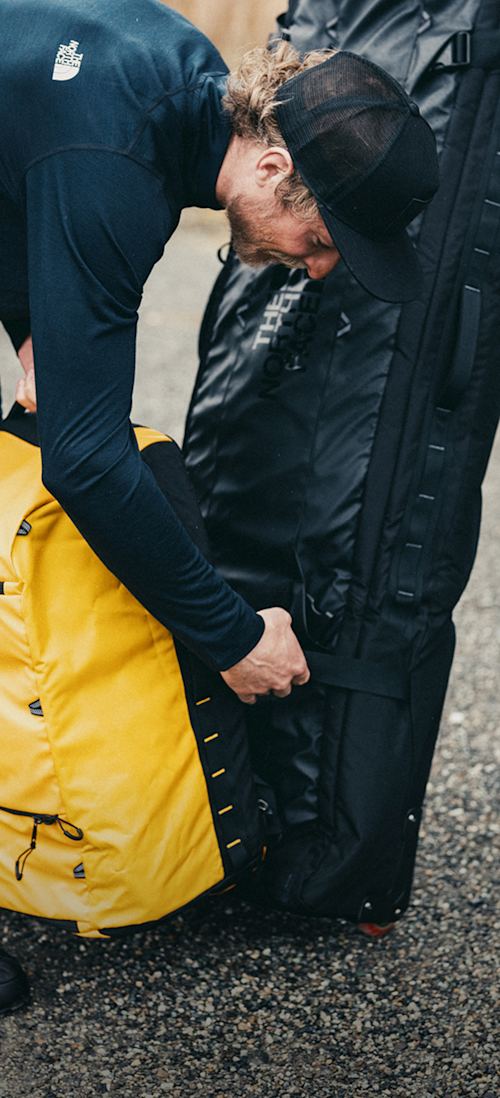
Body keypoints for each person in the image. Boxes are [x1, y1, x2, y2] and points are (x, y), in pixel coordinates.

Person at [0, 0, 439, 1012]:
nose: (318, 266)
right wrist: (231, 637)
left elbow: (21, 155)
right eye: (322, 239)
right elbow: (85, 464)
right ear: (275, 169)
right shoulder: (117, 163)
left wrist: (33, 324)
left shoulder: (176, 82)